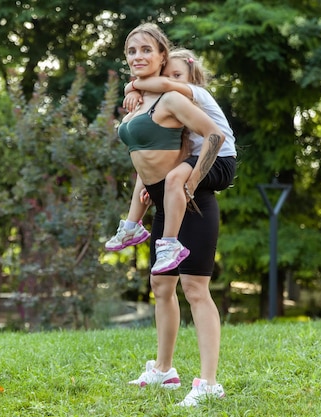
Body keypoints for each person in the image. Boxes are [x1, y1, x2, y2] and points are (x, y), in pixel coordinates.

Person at [117, 22, 227, 407]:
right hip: (165, 201)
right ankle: (164, 370)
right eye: (132, 52)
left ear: (163, 57)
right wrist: (134, 90)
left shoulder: (176, 97)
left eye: (146, 50)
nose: (138, 58)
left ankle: (209, 382)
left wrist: (192, 183)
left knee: (196, 290)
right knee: (161, 287)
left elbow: (215, 136)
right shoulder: (143, 99)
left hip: (191, 198)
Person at [105, 48, 237, 278]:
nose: (169, 81)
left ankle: (169, 242)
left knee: (175, 177)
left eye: (177, 75)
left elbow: (163, 87)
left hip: (221, 159)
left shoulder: (197, 93)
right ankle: (131, 226)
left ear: (191, 77)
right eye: (166, 76)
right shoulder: (173, 108)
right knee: (146, 174)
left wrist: (133, 87)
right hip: (195, 158)